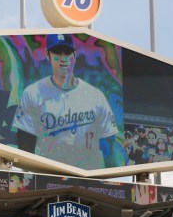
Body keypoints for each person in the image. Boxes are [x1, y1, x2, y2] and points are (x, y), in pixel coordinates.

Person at [12, 34, 124, 171]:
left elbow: (110, 150)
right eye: (57, 52)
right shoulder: (33, 93)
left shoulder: (96, 96)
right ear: (48, 55)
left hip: (87, 179)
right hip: (49, 177)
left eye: (67, 52)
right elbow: (25, 151)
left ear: (74, 55)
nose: (63, 58)